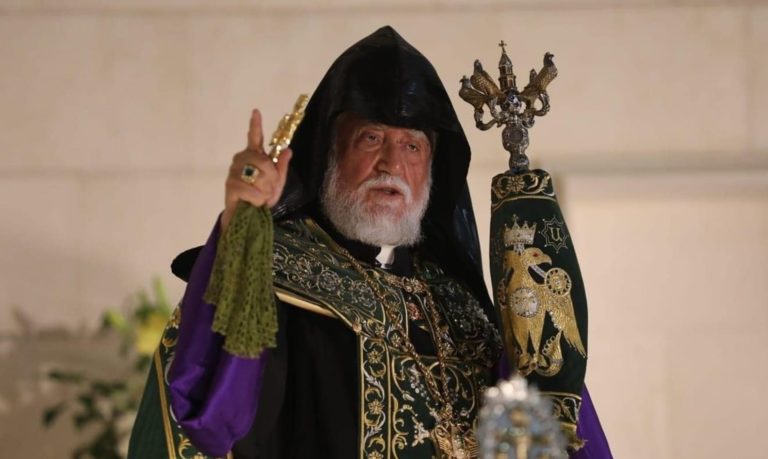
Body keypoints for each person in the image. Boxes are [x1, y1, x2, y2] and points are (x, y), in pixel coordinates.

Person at [128, 26, 611, 459]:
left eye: (412, 146)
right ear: (329, 153)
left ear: (432, 170)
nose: (391, 165)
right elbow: (207, 415)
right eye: (371, 139)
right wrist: (243, 227)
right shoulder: (277, 280)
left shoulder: (462, 308)